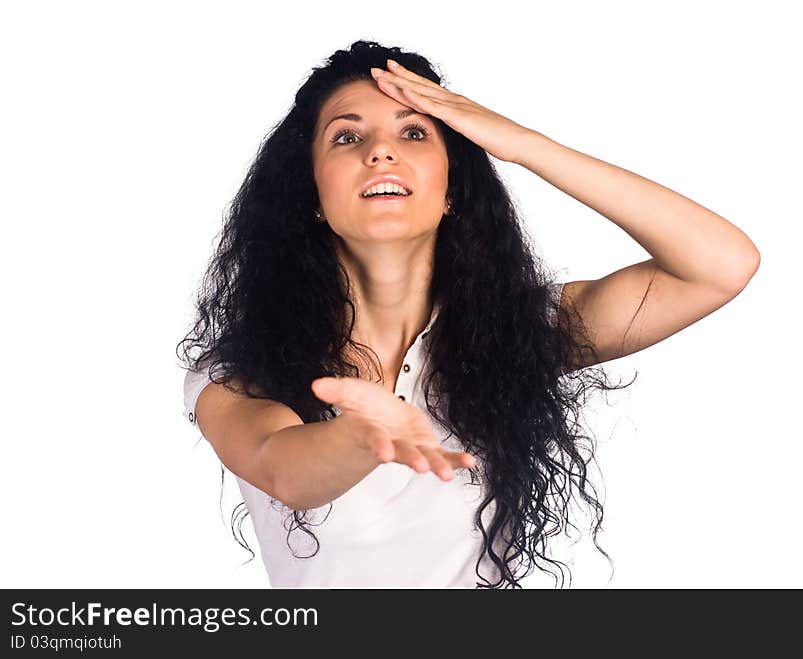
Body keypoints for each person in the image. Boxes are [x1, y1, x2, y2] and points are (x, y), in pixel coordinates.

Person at [177, 40, 760, 589]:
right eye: (347, 138)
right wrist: (364, 435)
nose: (381, 151)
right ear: (312, 196)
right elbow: (281, 469)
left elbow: (719, 265)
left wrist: (523, 144)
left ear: (453, 186)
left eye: (413, 133)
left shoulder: (517, 332)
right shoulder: (238, 368)